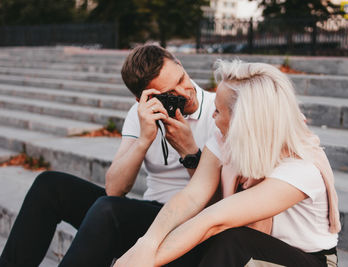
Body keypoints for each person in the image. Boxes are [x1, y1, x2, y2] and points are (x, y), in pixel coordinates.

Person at [0, 44, 216, 267]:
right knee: (49, 186)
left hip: (189, 223)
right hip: (149, 213)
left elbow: (218, 200)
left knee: (108, 210)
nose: (184, 92)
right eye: (169, 94)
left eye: (181, 79)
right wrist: (143, 141)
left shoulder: (215, 112)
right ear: (144, 98)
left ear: (179, 64)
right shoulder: (140, 115)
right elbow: (115, 189)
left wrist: (188, 151)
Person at [115, 60, 341, 267]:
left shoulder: (301, 168)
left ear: (242, 122)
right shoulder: (224, 138)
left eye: (218, 110)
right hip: (252, 248)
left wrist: (139, 263)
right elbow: (192, 196)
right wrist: (146, 244)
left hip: (308, 260)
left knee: (230, 240)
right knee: (200, 243)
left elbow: (214, 220)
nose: (212, 115)